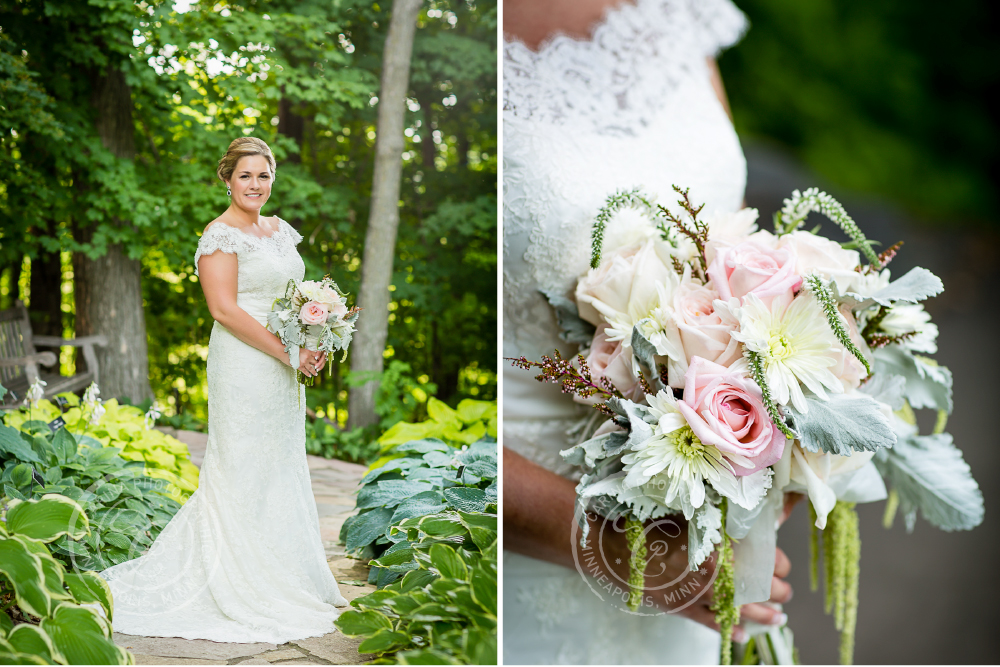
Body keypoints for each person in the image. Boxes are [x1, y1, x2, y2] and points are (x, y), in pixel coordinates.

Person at [502, 0, 794, 662]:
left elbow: (736, 254)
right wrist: (621, 547)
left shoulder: (684, 11)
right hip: (526, 576)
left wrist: (784, 451)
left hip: (706, 569)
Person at [98, 137, 349, 643]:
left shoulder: (280, 232)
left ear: (272, 178)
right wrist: (288, 351)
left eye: (263, 175)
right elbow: (225, 310)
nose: (255, 185)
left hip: (284, 363)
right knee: (241, 466)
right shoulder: (220, 235)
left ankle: (289, 573)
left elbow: (294, 296)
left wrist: (313, 338)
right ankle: (238, 579)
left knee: (279, 462)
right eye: (245, 176)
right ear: (227, 179)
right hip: (245, 361)